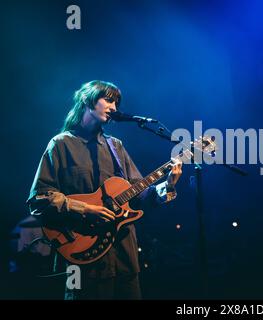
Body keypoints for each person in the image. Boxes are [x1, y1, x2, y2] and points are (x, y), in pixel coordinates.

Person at [26, 80, 182, 299]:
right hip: (78, 258)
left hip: (124, 259)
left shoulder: (115, 146)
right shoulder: (60, 144)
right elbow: (40, 198)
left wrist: (169, 184)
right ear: (87, 100)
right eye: (108, 100)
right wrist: (85, 209)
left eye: (116, 103)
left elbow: (139, 196)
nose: (114, 108)